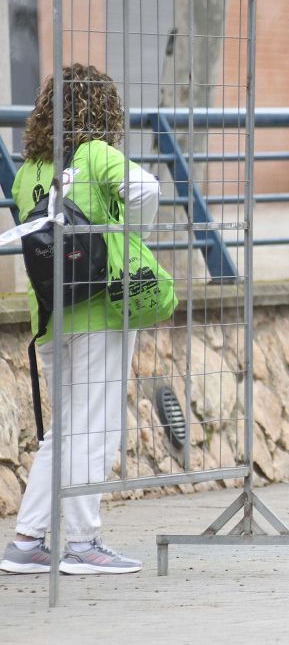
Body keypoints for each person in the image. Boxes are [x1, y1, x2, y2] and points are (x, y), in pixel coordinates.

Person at [0, 64, 159, 575]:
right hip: (100, 310)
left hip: (50, 315)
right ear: (104, 109)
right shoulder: (95, 154)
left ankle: (27, 541)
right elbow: (146, 189)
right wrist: (128, 236)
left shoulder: (29, 171)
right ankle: (84, 544)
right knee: (92, 428)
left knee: (64, 429)